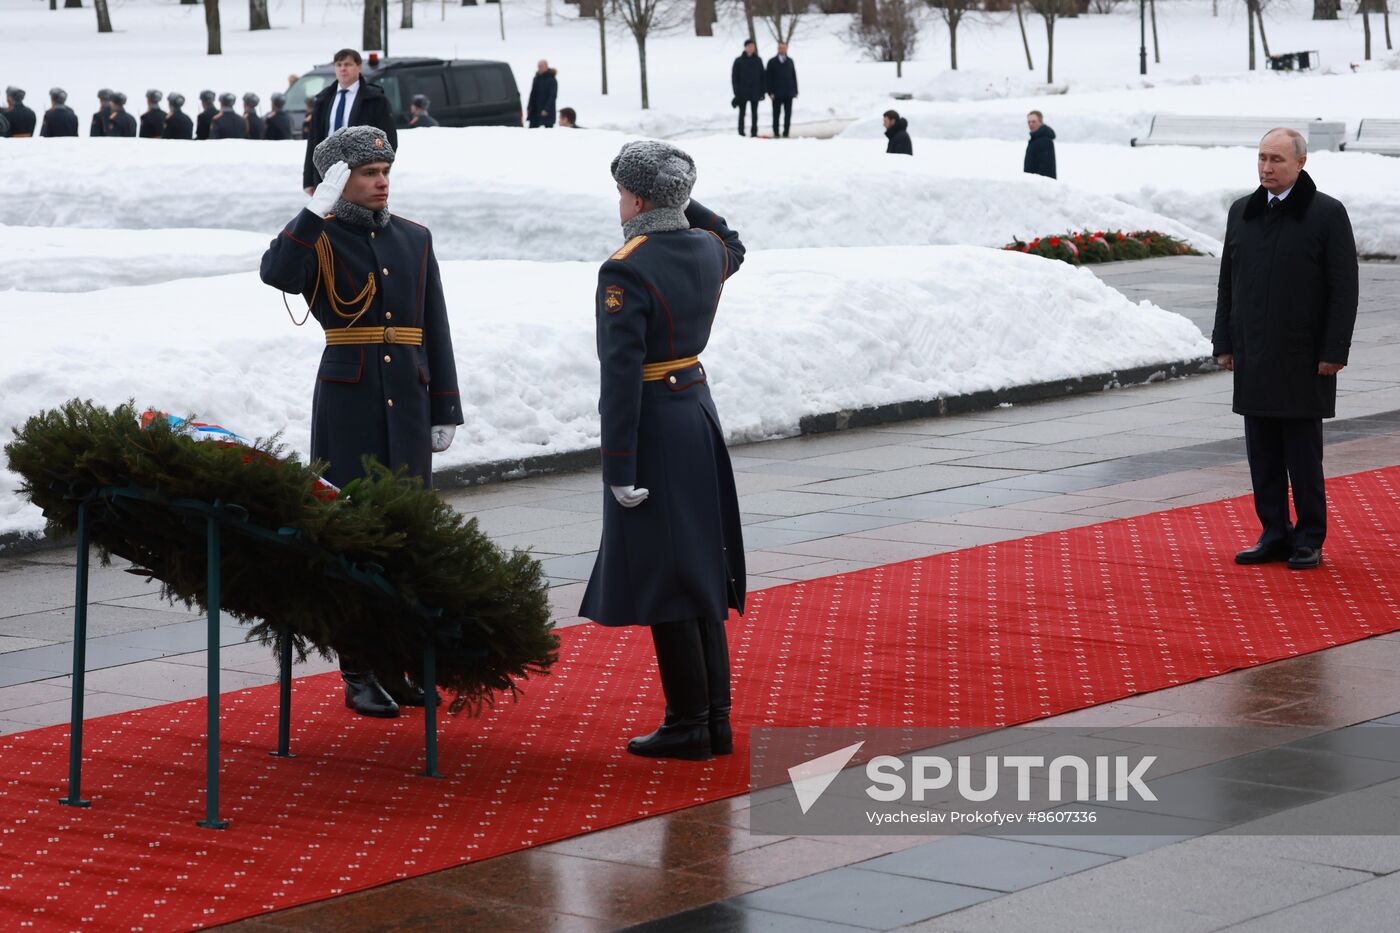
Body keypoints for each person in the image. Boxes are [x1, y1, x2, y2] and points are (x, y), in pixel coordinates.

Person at [260, 126, 464, 717]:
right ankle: (358, 671)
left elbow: (435, 325)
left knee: (405, 537)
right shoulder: (317, 236)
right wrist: (311, 211)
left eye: (385, 171)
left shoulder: (415, 238)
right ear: (337, 181)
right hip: (349, 404)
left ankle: (397, 665)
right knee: (353, 535)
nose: (382, 181)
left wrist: (444, 404)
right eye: (368, 173)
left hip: (408, 395)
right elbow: (276, 274)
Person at [580, 140, 747, 762]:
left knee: (669, 575)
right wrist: (679, 200)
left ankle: (688, 724)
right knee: (699, 568)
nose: (618, 202)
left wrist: (618, 465)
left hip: (653, 425)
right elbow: (732, 237)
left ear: (640, 198)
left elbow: (618, 376)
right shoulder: (706, 249)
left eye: (625, 191)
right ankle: (713, 720)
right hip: (696, 413)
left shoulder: (626, 267)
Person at [1213, 129, 1358, 571]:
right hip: (1254, 354)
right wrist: (1224, 341)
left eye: (1276, 159)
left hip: (1304, 357)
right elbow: (1227, 282)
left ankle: (1309, 537)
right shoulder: (1243, 211)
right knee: (1263, 454)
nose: (1266, 167)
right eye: (1261, 158)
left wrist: (1334, 350)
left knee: (1302, 454)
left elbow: (1344, 288)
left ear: (1301, 163)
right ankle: (1274, 532)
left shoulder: (1327, 213)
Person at [302, 49, 397, 195]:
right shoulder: (324, 99)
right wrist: (308, 179)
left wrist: (376, 171)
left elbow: (388, 139)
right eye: (339, 65)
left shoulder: (375, 100)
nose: (343, 69)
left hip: (360, 173)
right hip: (328, 173)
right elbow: (314, 140)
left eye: (348, 64)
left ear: (359, 67)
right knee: (329, 216)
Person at [731, 39, 764, 137]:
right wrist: (736, 92)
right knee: (742, 113)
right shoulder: (738, 61)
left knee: (755, 114)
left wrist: (762, 91)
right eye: (749, 46)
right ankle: (741, 132)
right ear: (745, 47)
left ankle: (754, 132)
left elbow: (762, 76)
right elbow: (734, 78)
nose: (751, 48)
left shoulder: (758, 60)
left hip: (755, 92)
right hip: (742, 93)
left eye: (752, 46)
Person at [765, 41, 798, 139]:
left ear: (787, 49)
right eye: (781, 48)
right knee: (776, 115)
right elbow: (768, 78)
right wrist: (770, 92)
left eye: (784, 48)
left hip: (788, 93)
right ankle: (776, 133)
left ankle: (786, 132)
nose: (783, 49)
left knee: (788, 115)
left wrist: (795, 91)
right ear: (778, 49)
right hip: (776, 94)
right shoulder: (771, 62)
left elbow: (793, 76)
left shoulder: (790, 61)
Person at [1024, 110, 1056, 179]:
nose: (1030, 124)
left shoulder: (1044, 140)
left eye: (1033, 121)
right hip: (1035, 183)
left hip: (1040, 185)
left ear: (1040, 122)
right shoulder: (1035, 139)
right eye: (1029, 122)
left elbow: (1046, 168)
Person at [527, 59, 558, 128]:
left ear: (546, 67)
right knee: (532, 130)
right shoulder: (536, 78)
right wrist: (529, 107)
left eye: (541, 66)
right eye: (538, 66)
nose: (539, 68)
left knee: (548, 131)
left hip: (547, 112)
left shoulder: (552, 80)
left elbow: (552, 96)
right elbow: (532, 94)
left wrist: (546, 109)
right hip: (535, 111)